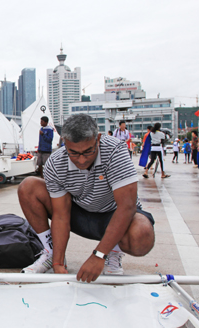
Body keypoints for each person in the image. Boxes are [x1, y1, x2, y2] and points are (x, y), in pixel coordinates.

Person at [17, 114, 155, 283]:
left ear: (97, 139)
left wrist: (99, 255)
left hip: (114, 214)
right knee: (28, 187)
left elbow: (127, 207)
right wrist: (58, 262)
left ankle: (114, 251)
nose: (81, 160)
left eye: (88, 151)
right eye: (73, 153)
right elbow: (60, 215)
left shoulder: (115, 150)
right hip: (80, 214)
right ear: (64, 143)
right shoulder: (55, 163)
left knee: (142, 235)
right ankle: (50, 252)